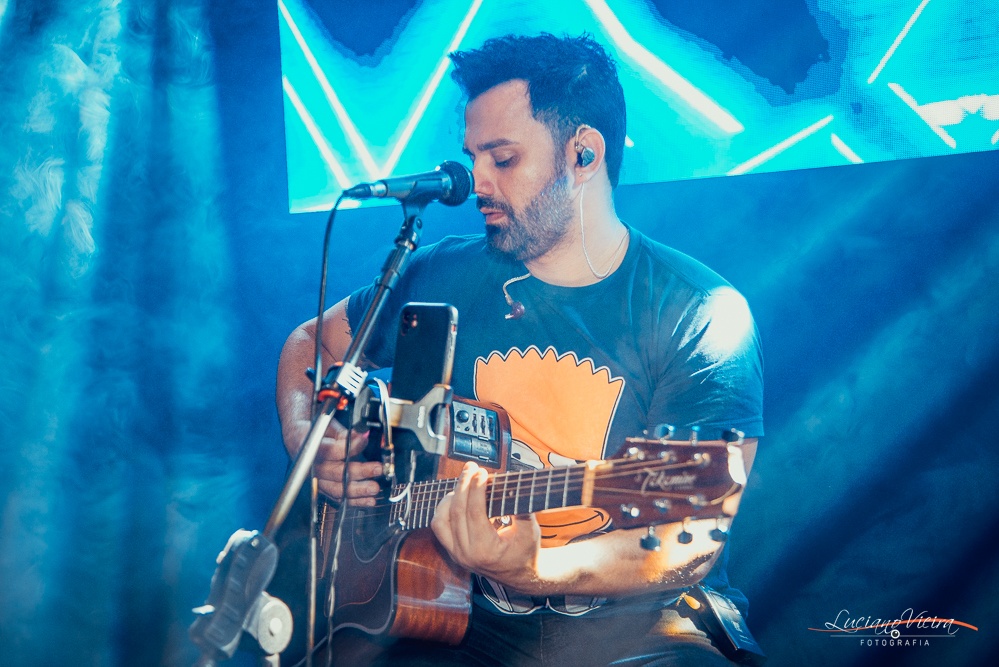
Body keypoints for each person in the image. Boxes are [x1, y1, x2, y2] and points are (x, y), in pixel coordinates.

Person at [276, 33, 763, 666]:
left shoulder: (699, 312)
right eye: (472, 158)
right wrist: (309, 442)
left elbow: (688, 537)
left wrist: (536, 567)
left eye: (503, 159)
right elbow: (310, 342)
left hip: (642, 636)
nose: (475, 182)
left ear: (584, 154)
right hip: (447, 618)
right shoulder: (439, 274)